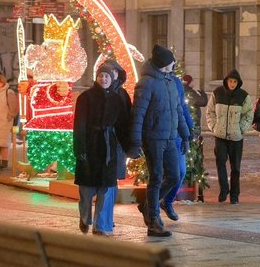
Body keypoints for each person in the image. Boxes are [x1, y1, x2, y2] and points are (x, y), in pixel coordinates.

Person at [128, 45, 190, 237]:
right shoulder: (146, 83)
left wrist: (185, 134)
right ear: (164, 64)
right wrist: (136, 142)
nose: (174, 64)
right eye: (171, 62)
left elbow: (178, 111)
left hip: (171, 137)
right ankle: (153, 220)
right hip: (153, 138)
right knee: (156, 177)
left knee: (174, 175)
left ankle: (148, 205)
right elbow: (138, 114)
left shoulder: (171, 82)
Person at [73, 61, 132, 236]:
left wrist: (129, 147)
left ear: (112, 78)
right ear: (96, 78)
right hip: (90, 146)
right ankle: (85, 217)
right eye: (101, 76)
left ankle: (101, 225)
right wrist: (80, 149)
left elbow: (122, 126)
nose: (104, 78)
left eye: (106, 76)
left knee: (106, 187)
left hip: (108, 148)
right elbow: (79, 124)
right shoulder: (86, 97)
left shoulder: (117, 99)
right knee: (86, 188)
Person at [205, 69, 252, 204]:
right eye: (230, 81)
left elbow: (248, 114)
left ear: (238, 83)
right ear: (226, 81)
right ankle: (224, 189)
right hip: (220, 136)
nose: (232, 84)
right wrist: (214, 126)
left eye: (235, 82)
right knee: (220, 162)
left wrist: (241, 128)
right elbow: (210, 111)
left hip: (236, 138)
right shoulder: (217, 93)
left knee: (235, 167)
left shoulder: (243, 96)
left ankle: (235, 194)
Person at [160, 73, 194, 221]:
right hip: (159, 134)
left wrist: (190, 127)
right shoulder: (153, 80)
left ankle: (166, 201)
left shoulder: (176, 82)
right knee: (159, 174)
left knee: (180, 171)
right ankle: (152, 207)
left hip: (177, 133)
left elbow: (182, 107)